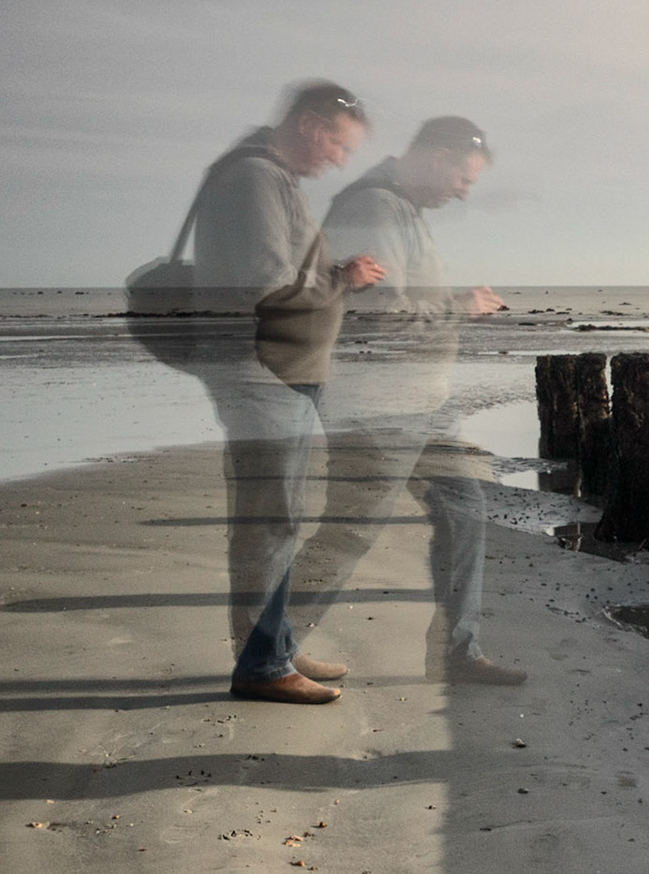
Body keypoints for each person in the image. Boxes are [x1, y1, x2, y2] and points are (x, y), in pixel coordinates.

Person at [289, 115, 525, 685]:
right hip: (377, 405)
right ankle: (268, 649)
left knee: (466, 514)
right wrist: (458, 308)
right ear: (439, 157)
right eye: (464, 179)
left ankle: (458, 653)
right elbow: (375, 319)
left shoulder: (400, 210)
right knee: (351, 528)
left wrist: (450, 305)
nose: (465, 192)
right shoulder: (374, 207)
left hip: (422, 403)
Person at [191, 81, 385, 705]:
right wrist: (341, 276)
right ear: (309, 125)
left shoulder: (269, 178)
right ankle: (261, 666)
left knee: (282, 516)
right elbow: (265, 283)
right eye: (338, 144)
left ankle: (274, 645)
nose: (339, 160)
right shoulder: (255, 179)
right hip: (263, 371)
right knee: (269, 520)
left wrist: (335, 277)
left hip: (281, 371)